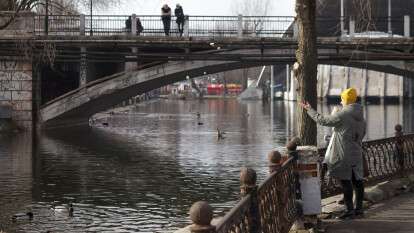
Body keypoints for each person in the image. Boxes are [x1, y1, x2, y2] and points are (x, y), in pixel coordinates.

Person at [299, 88, 366, 219]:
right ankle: (359, 209)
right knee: (358, 181)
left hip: (343, 153)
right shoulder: (361, 116)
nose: (341, 101)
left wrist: (309, 109)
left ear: (346, 100)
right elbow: (363, 134)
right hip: (356, 152)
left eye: (342, 99)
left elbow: (323, 120)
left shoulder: (343, 115)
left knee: (346, 181)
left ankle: (349, 211)